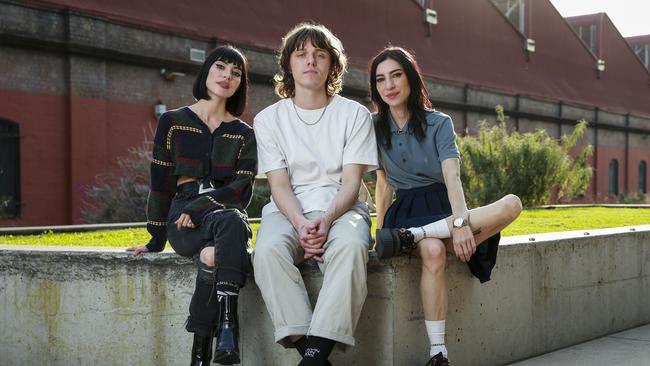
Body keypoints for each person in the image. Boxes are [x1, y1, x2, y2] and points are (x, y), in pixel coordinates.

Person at [369, 47, 523, 366]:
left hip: (445, 207)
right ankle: (439, 353)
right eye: (381, 79)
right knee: (434, 252)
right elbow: (382, 186)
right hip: (406, 210)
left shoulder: (439, 122)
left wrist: (459, 222)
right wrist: (380, 231)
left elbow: (452, 176)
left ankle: (415, 234)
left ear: (411, 78)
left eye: (396, 75)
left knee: (512, 204)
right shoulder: (373, 127)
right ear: (376, 88)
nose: (389, 85)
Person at [252, 23, 378, 366]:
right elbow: (278, 186)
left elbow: (352, 183)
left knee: (352, 247)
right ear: (288, 65)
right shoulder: (268, 120)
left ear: (332, 66)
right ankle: (316, 356)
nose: (311, 61)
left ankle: (310, 359)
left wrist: (324, 219)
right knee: (266, 252)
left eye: (320, 55)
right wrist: (300, 223)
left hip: (343, 206)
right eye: (302, 54)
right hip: (287, 209)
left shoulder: (354, 115)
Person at [126, 45, 257, 366]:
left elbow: (241, 190)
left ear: (241, 83)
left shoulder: (244, 134)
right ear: (207, 71)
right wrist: (155, 239)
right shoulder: (172, 122)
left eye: (236, 73)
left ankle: (204, 350)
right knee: (231, 227)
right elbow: (160, 185)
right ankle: (228, 327)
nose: (227, 76)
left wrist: (199, 208)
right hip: (183, 221)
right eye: (221, 67)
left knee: (216, 249)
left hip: (219, 216)